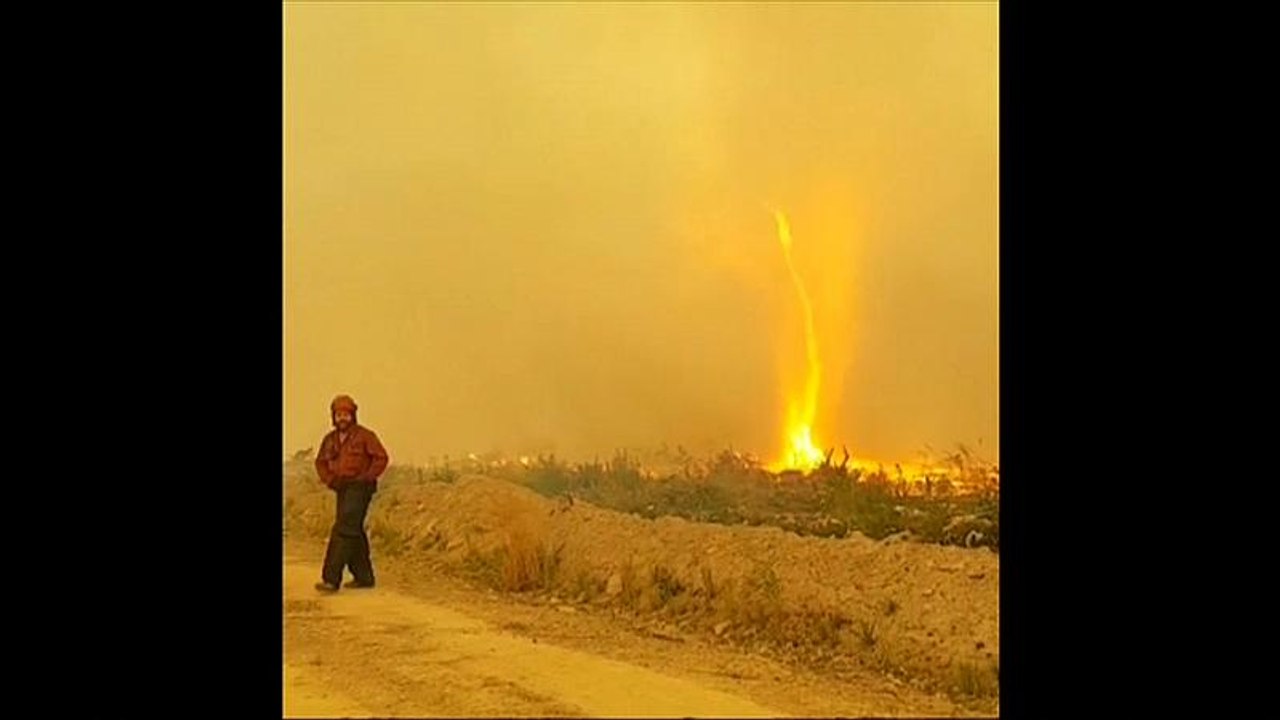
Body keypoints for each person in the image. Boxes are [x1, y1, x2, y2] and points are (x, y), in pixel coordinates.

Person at [313, 394, 389, 593]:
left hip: (360, 488)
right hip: (342, 488)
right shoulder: (330, 440)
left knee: (343, 529)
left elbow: (381, 458)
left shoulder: (365, 436)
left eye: (346, 414)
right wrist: (330, 479)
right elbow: (320, 462)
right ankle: (364, 578)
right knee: (353, 529)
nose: (342, 418)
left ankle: (331, 579)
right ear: (333, 417)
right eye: (339, 415)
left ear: (353, 415)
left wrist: (367, 477)